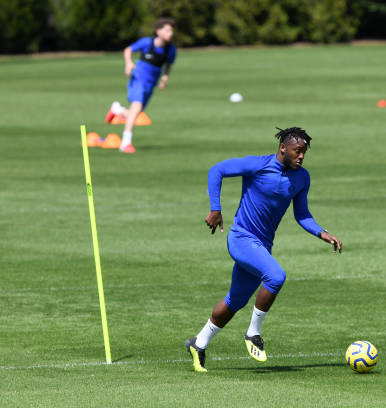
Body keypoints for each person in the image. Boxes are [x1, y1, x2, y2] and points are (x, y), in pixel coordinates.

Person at [185, 127, 343, 373]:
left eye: (304, 153)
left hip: (262, 245)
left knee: (234, 301)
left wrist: (321, 233)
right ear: (283, 149)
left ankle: (199, 343)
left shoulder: (302, 178)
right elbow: (217, 170)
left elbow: (302, 214)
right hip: (241, 238)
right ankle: (253, 334)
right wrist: (215, 209)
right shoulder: (257, 165)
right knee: (276, 276)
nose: (301, 157)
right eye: (297, 151)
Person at [105, 18, 177, 154]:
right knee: (136, 108)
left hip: (151, 84)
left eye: (172, 30)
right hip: (138, 79)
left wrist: (165, 77)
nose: (171, 33)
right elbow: (128, 50)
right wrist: (128, 63)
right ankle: (125, 143)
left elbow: (168, 65)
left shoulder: (171, 50)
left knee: (135, 114)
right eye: (167, 30)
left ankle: (118, 110)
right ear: (158, 31)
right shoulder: (147, 43)